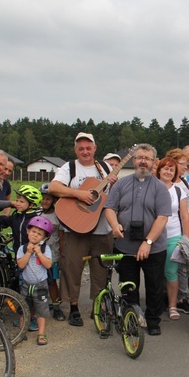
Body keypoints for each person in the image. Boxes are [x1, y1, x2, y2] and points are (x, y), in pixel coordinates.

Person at [49, 132, 116, 327]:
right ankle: (74, 307)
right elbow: (54, 188)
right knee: (72, 267)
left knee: (100, 270)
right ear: (75, 150)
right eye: (81, 148)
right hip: (74, 227)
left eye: (88, 148)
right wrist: (78, 194)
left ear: (95, 149)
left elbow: (112, 194)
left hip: (102, 227)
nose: (85, 151)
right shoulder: (69, 167)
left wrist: (115, 184)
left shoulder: (105, 168)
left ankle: (98, 306)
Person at [104, 143, 171, 335]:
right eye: (140, 157)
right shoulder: (121, 184)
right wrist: (114, 224)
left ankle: (153, 321)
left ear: (153, 162)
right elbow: (109, 208)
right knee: (128, 285)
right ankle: (130, 317)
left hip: (154, 247)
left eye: (147, 158)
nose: (143, 161)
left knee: (154, 286)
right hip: (125, 246)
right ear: (134, 160)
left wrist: (148, 242)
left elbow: (162, 217)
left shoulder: (160, 188)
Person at [155, 157, 189, 320]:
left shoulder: (178, 191)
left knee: (171, 272)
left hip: (173, 236)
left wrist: (186, 237)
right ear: (159, 170)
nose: (168, 172)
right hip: (153, 237)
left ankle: (172, 306)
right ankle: (154, 304)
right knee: (154, 273)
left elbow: (184, 216)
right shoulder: (151, 188)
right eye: (165, 168)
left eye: (171, 169)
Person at [16, 216, 54, 345]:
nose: (35, 235)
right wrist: (28, 253)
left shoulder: (45, 249)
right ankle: (22, 331)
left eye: (39, 234)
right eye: (33, 232)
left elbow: (48, 265)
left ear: (44, 238)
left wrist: (39, 253)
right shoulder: (22, 248)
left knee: (41, 310)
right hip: (26, 284)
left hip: (40, 284)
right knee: (24, 308)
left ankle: (41, 333)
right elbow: (21, 265)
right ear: (28, 231)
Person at [39, 183, 64, 321]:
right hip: (37, 254)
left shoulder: (57, 216)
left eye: (48, 199)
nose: (44, 201)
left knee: (52, 281)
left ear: (54, 200)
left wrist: (61, 254)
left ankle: (56, 306)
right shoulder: (37, 213)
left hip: (52, 253)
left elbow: (61, 237)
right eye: (42, 198)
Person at [0, 185, 43, 255]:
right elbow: (3, 220)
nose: (17, 204)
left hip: (32, 257)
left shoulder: (37, 220)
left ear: (31, 205)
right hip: (18, 257)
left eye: (21, 202)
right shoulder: (15, 217)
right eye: (17, 201)